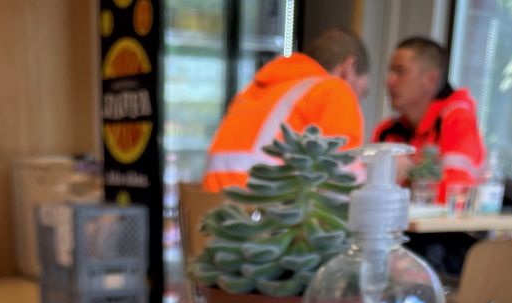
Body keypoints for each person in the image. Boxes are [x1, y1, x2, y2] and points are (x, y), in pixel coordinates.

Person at [203, 28, 370, 192]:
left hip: (210, 210)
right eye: (361, 93)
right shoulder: (334, 90)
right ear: (348, 68)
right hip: (263, 212)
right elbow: (346, 187)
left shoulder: (254, 91)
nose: (357, 103)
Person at [373, 36, 487, 277]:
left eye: (400, 71)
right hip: (397, 237)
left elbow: (456, 194)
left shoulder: (457, 120)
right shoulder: (387, 131)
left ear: (431, 79)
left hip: (448, 243)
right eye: (390, 71)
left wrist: (406, 176)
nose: (389, 80)